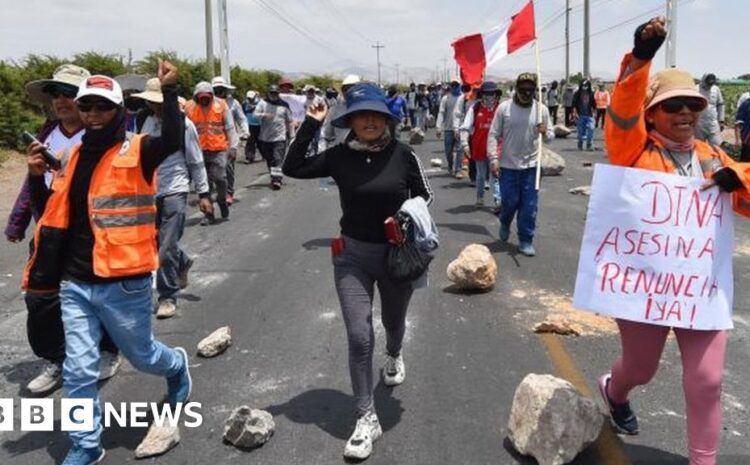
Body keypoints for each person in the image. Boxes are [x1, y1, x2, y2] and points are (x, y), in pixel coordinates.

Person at [23, 62, 192, 465]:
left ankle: (177, 366)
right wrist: (33, 178)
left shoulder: (140, 149)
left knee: (144, 356)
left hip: (124, 280)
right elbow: (51, 213)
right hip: (75, 282)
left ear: (119, 110)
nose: (94, 115)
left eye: (102, 107)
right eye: (87, 108)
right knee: (80, 370)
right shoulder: (71, 154)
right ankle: (86, 444)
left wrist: (170, 92)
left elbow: (173, 138)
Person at [602, 17, 750, 465]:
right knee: (641, 369)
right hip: (645, 291)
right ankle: (615, 389)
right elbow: (623, 109)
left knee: (706, 380)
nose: (685, 113)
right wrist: (642, 57)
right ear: (652, 114)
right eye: (673, 106)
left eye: (693, 105)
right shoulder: (632, 151)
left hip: (699, 293)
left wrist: (737, 178)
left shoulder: (712, 156)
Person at [283, 82, 433, 460]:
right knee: (359, 336)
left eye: (375, 114)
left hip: (397, 255)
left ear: (386, 118)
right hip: (352, 257)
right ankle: (366, 416)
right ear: (350, 120)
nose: (368, 120)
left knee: (393, 322)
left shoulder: (403, 154)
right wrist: (311, 125)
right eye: (361, 114)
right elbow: (292, 166)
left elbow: (424, 194)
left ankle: (395, 353)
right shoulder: (338, 157)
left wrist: (406, 214)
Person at [7, 64, 122, 395]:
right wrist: (18, 221)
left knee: (99, 297)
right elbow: (34, 183)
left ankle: (107, 349)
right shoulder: (47, 134)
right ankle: (58, 358)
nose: (61, 101)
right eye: (55, 94)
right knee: (41, 300)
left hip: (92, 233)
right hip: (50, 231)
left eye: (70, 94)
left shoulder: (104, 136)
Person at [133, 78, 212, 318]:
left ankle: (168, 296)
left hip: (175, 189)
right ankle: (183, 261)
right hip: (149, 191)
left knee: (166, 247)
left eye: (159, 102)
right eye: (152, 102)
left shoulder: (183, 125)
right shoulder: (144, 121)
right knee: (155, 243)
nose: (156, 107)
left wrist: (203, 193)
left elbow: (196, 160)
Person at [487, 73, 554, 257]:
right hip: (508, 167)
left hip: (531, 167)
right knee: (509, 202)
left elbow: (550, 137)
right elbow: (493, 134)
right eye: (523, 88)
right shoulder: (504, 109)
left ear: (535, 90)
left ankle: (526, 239)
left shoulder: (542, 111)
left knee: (529, 206)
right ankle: (505, 221)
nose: (526, 92)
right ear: (516, 88)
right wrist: (493, 158)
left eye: (530, 89)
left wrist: (544, 132)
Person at [184, 81, 238, 224]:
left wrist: (233, 147)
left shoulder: (221, 105)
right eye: (201, 97)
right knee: (204, 184)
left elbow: (230, 127)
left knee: (220, 178)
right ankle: (208, 214)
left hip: (219, 149)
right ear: (196, 97)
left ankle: (222, 201)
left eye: (207, 97)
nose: (204, 100)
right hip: (198, 151)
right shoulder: (188, 107)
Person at [460, 81, 502, 206]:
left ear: (496, 94)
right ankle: (480, 197)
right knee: (481, 176)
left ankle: (497, 200)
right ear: (482, 94)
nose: (489, 96)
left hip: (496, 149)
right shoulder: (475, 108)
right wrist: (465, 144)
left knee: (496, 175)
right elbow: (465, 126)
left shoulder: (500, 109)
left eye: (492, 93)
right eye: (486, 93)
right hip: (479, 147)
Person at [212, 76, 248, 205]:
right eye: (216, 89)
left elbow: (241, 118)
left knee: (228, 168)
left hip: (228, 141)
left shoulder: (233, 103)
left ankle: (229, 192)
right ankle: (215, 192)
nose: (219, 91)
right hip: (211, 142)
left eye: (221, 89)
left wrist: (245, 131)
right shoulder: (207, 103)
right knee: (211, 170)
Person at [255, 84, 294, 190]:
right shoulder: (263, 103)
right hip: (265, 138)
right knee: (269, 160)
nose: (273, 95)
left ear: (278, 94)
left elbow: (290, 121)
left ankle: (277, 180)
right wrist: (264, 115)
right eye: (271, 93)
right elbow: (255, 114)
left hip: (279, 137)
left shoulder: (284, 105)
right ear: (268, 93)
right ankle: (274, 176)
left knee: (277, 159)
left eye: (275, 93)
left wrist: (292, 135)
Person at [319, 75, 361, 152]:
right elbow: (325, 135)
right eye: (346, 89)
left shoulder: (368, 110)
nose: (349, 92)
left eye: (353, 89)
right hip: (339, 155)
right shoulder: (335, 110)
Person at [436, 79, 463, 175]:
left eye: (456, 85)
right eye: (453, 85)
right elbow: (441, 113)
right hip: (448, 129)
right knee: (448, 151)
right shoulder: (445, 98)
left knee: (460, 149)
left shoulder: (463, 98)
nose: (454, 87)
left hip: (460, 129)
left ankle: (458, 170)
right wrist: (438, 127)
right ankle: (450, 165)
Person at [451, 83, 475, 179]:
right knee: (460, 148)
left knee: (474, 150)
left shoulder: (480, 98)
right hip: (464, 127)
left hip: (476, 128)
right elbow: (457, 113)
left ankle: (475, 174)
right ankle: (458, 170)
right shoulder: (463, 98)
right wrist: (456, 128)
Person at [695, 73, 725, 145]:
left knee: (717, 146)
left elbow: (720, 105)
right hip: (698, 124)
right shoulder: (695, 89)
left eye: (711, 84)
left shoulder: (716, 89)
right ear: (703, 80)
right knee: (699, 147)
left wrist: (721, 120)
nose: (709, 86)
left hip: (713, 123)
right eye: (708, 84)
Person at [573, 79, 596, 150]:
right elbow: (574, 104)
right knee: (580, 132)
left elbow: (594, 104)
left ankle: (589, 144)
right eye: (583, 85)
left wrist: (595, 113)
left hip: (589, 115)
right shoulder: (577, 94)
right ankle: (580, 143)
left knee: (591, 128)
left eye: (586, 85)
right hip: (580, 115)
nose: (584, 87)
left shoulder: (591, 93)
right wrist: (575, 113)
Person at [243, 90, 262, 163]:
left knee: (261, 142)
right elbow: (243, 113)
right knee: (250, 142)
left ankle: (266, 155)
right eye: (249, 98)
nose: (250, 99)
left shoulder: (260, 103)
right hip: (249, 125)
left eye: (252, 98)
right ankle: (249, 157)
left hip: (260, 125)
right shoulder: (245, 103)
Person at [735, 97, 750, 161]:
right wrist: (738, 139)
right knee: (745, 164)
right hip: (747, 141)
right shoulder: (746, 104)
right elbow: (738, 123)